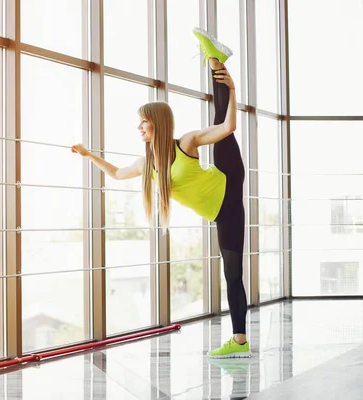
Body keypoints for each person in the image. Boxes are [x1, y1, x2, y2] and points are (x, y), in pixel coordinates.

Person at [72, 28, 250, 359]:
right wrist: (89, 155)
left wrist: (233, 89)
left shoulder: (185, 142)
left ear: (158, 123)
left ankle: (217, 64)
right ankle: (240, 341)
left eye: (144, 123)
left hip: (228, 182)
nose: (139, 128)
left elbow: (228, 127)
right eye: (139, 123)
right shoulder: (147, 164)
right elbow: (116, 173)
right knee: (232, 273)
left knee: (221, 130)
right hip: (220, 213)